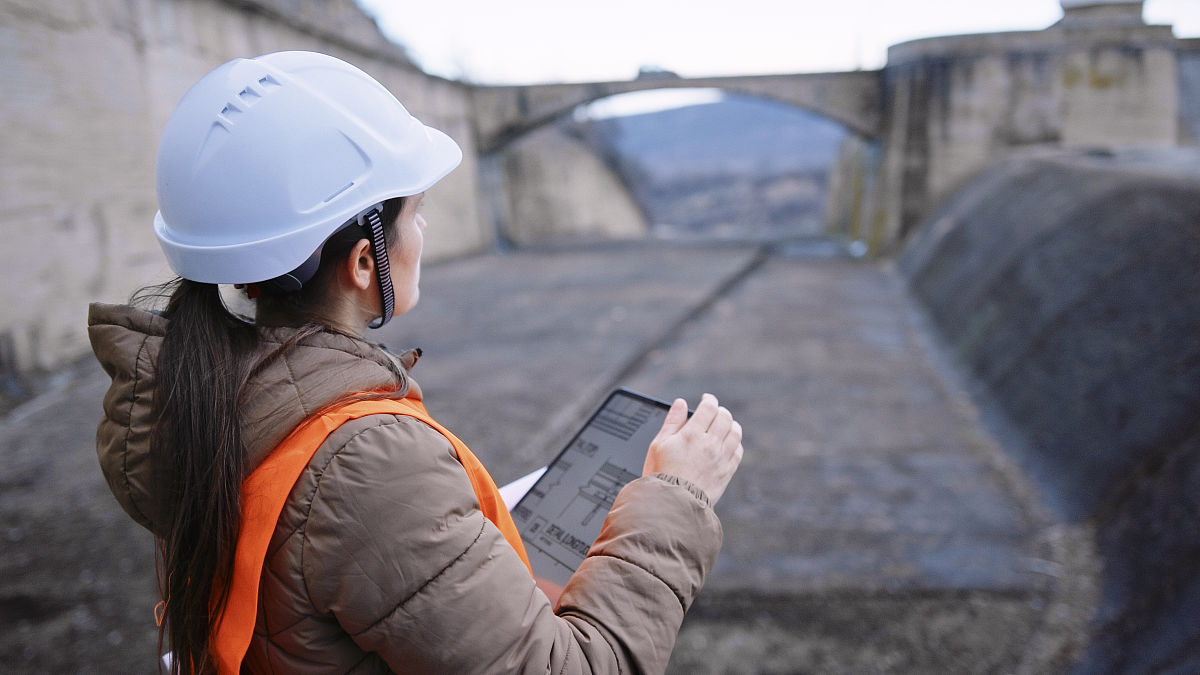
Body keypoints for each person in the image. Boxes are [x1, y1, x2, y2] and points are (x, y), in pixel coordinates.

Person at [88, 51, 743, 674]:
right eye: (416, 213)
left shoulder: (203, 398)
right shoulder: (367, 464)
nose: (423, 232)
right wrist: (675, 498)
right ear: (365, 262)